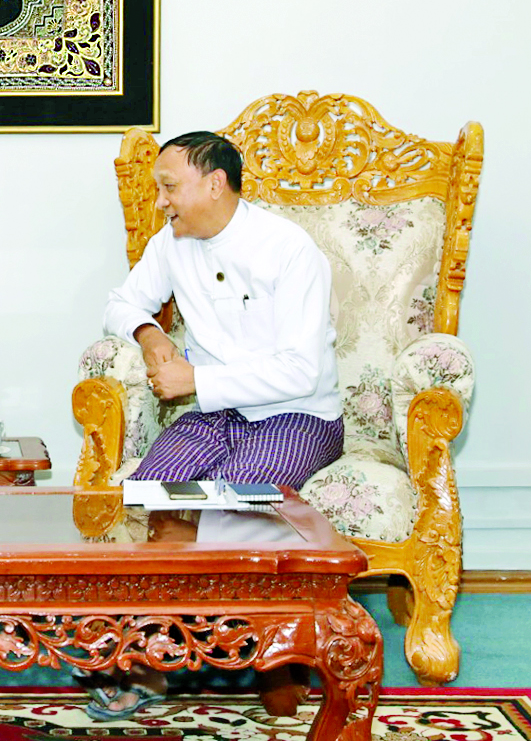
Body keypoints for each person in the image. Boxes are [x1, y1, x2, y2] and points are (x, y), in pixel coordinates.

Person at [84, 131, 344, 720]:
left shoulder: (289, 249)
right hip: (213, 413)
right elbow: (120, 303)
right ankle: (155, 657)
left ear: (215, 184)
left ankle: (273, 664)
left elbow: (300, 371)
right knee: (153, 493)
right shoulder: (173, 242)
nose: (161, 202)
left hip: (297, 415)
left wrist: (195, 380)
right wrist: (151, 336)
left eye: (169, 187)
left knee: (233, 503)